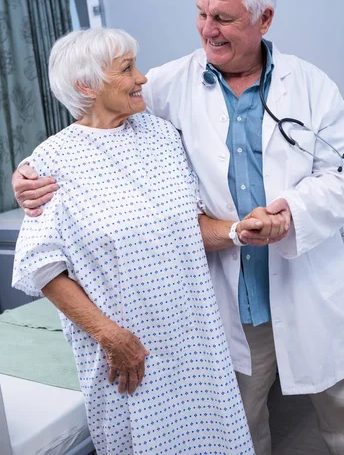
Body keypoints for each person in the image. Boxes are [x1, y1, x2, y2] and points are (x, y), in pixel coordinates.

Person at [13, 0, 344, 455]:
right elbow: (95, 120)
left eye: (223, 18)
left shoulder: (311, 86)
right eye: (201, 14)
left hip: (305, 281)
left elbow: (341, 175)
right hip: (228, 297)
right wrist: (27, 173)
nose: (208, 29)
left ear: (263, 19)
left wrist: (288, 213)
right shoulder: (166, 84)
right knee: (240, 427)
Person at [12, 27, 261, 455]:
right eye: (127, 69)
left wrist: (240, 230)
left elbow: (189, 226)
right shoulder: (51, 161)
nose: (142, 78)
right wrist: (111, 337)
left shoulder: (161, 137)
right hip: (126, 352)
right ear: (86, 86)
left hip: (194, 334)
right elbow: (43, 266)